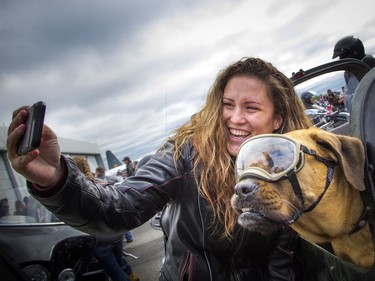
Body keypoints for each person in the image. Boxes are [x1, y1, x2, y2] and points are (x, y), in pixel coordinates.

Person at [7, 57, 313, 280]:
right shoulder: (186, 153)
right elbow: (120, 209)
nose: (234, 118)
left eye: (251, 107)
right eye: (227, 104)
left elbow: (283, 260)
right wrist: (58, 179)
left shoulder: (291, 168)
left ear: (278, 118)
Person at [72, 156, 139, 281]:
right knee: (120, 267)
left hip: (100, 240)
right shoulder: (100, 182)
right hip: (116, 234)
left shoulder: (76, 190)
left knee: (116, 275)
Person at [332, 35, 375, 111]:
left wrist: (349, 98)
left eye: (344, 56)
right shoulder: (349, 73)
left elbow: (370, 92)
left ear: (355, 52)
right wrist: (342, 101)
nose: (342, 60)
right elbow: (354, 92)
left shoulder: (368, 64)